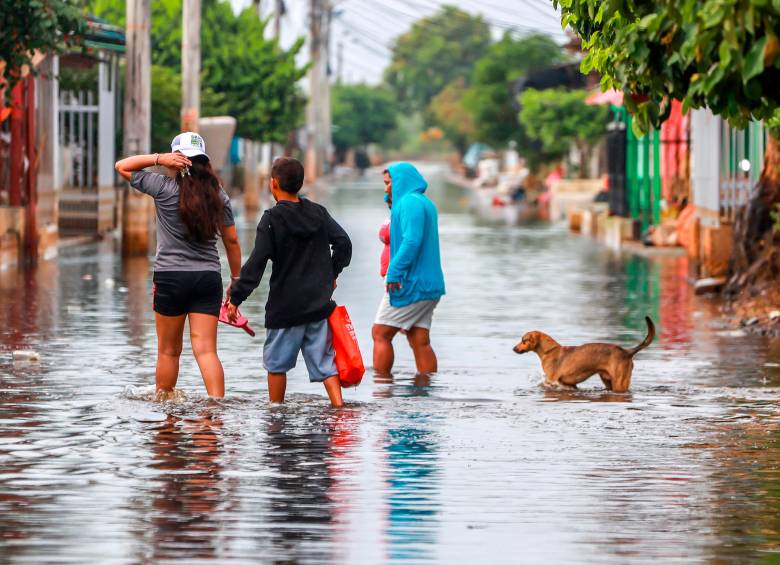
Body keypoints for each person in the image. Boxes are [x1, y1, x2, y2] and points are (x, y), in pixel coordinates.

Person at [115, 132, 242, 398]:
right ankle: (215, 411)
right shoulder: (219, 196)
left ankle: (165, 414)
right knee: (206, 351)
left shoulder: (162, 187)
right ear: (205, 161)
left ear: (177, 159)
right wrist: (236, 280)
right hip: (207, 278)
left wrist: (159, 159)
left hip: (170, 278)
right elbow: (231, 241)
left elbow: (122, 166)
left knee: (168, 350)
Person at [227, 157, 352, 407]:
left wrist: (235, 298)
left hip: (285, 307)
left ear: (273, 184)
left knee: (276, 366)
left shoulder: (272, 219)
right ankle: (339, 408)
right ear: (301, 183)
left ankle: (276, 413)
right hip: (318, 304)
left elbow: (257, 264)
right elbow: (344, 243)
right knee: (325, 365)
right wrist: (332, 274)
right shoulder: (317, 213)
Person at [372, 163, 445, 375]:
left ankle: (382, 389)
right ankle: (426, 387)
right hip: (428, 284)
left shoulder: (409, 203)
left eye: (389, 184)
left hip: (409, 282)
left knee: (380, 333)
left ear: (401, 181)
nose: (386, 188)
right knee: (418, 338)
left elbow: (412, 241)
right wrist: (392, 201)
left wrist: (394, 272)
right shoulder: (421, 202)